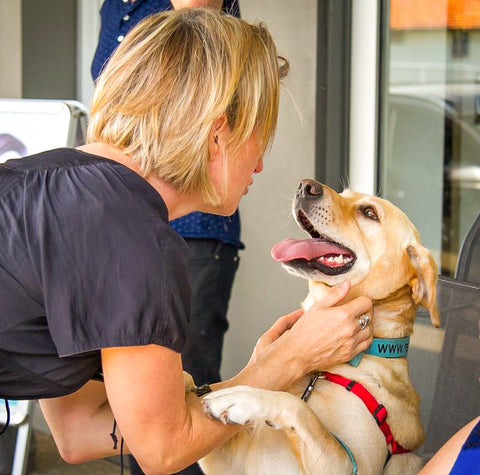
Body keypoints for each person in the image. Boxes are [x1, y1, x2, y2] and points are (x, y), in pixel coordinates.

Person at [0, 9, 373, 474]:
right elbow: (163, 450)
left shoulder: (55, 185)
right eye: (261, 137)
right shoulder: (132, 237)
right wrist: (291, 359)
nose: (259, 166)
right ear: (218, 134)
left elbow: (80, 431)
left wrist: (258, 373)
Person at [91, 2, 241, 473]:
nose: (259, 167)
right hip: (122, 219)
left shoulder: (194, 16)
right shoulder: (114, 6)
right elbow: (76, 436)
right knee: (139, 404)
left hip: (192, 233)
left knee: (183, 396)